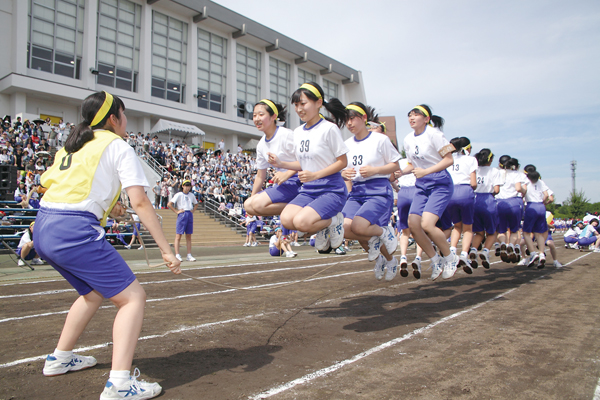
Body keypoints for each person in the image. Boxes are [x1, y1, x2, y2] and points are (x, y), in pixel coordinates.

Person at [35, 90, 181, 400]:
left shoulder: (72, 145)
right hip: (74, 231)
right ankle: (120, 384)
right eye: (124, 115)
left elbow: (52, 185)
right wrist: (166, 250)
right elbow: (140, 201)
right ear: (114, 119)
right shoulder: (117, 146)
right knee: (133, 299)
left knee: (92, 293)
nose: (126, 121)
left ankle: (59, 358)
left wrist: (108, 206)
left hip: (46, 226)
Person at [268, 82, 348, 252]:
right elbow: (302, 164)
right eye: (296, 105)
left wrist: (315, 175)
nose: (299, 109)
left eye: (303, 104)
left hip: (331, 189)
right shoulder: (297, 132)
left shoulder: (329, 129)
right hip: (309, 189)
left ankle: (334, 221)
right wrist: (281, 164)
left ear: (318, 103)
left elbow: (342, 162)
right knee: (287, 220)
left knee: (301, 223)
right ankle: (325, 226)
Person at [397, 105, 458, 280]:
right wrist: (400, 172)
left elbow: (449, 160)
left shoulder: (435, 135)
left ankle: (450, 257)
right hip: (422, 185)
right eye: (409, 115)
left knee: (427, 224)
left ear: (426, 119)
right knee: (413, 225)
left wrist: (426, 171)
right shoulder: (408, 139)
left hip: (440, 183)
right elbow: (411, 164)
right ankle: (435, 259)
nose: (412, 117)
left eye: (416, 114)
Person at [340, 102, 400, 281]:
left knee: (360, 227)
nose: (349, 123)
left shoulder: (380, 139)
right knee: (342, 228)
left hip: (378, 190)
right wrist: (344, 173)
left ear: (364, 118)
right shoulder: (346, 144)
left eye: (352, 118)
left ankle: (384, 236)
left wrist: (375, 170)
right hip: (357, 191)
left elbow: (395, 165)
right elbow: (343, 169)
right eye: (346, 120)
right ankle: (384, 257)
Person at [244, 99, 301, 217]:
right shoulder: (261, 145)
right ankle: (296, 205)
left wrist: (287, 174)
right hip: (282, 183)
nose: (256, 119)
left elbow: (306, 160)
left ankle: (300, 205)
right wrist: (252, 197)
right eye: (254, 115)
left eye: (261, 114)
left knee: (258, 205)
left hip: (298, 180)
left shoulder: (286, 135)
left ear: (273, 116)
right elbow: (260, 175)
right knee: (248, 205)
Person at [446, 137, 478, 273]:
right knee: (468, 228)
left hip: (450, 192)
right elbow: (474, 183)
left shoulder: (448, 159)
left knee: (456, 226)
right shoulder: (471, 160)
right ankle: (464, 254)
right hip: (465, 191)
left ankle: (452, 251)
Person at [471, 149, 502, 269]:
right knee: (492, 232)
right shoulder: (494, 171)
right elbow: (497, 190)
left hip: (475, 200)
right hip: (488, 200)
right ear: (490, 160)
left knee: (478, 232)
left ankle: (473, 249)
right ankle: (485, 251)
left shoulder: (474, 170)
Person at [496, 157, 528, 263]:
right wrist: (523, 192)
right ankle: (511, 245)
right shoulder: (517, 174)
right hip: (514, 202)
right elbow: (519, 188)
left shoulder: (497, 173)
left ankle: (503, 244)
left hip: (499, 203)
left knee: (501, 231)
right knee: (514, 230)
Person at [521, 168, 549, 268]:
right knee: (538, 233)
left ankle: (533, 253)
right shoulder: (541, 182)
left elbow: (523, 192)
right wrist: (542, 202)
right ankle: (542, 254)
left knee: (526, 232)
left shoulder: (526, 181)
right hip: (541, 207)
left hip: (531, 206)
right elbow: (546, 195)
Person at [168, 179, 198, 262]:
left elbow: (196, 204)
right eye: (186, 186)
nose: (187, 188)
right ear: (183, 186)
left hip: (189, 214)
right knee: (178, 235)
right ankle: (177, 254)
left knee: (189, 236)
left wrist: (193, 211)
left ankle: (189, 254)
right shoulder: (179, 194)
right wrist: (176, 211)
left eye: (189, 186)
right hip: (182, 214)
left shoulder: (191, 195)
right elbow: (169, 204)